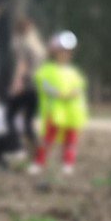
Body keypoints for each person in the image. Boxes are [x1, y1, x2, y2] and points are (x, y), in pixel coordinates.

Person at [29, 32, 88, 175]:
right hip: (55, 112)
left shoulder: (74, 73)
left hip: (72, 114)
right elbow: (44, 84)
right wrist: (58, 94)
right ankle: (39, 162)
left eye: (68, 52)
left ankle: (68, 163)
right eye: (62, 51)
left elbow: (79, 88)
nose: (65, 54)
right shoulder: (47, 70)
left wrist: (72, 93)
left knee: (71, 140)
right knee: (48, 138)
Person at [8, 17, 46, 147]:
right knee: (28, 119)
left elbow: (22, 64)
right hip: (37, 84)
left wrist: (16, 84)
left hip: (26, 82)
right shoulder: (36, 41)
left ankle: (16, 146)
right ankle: (35, 145)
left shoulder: (22, 42)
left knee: (10, 115)